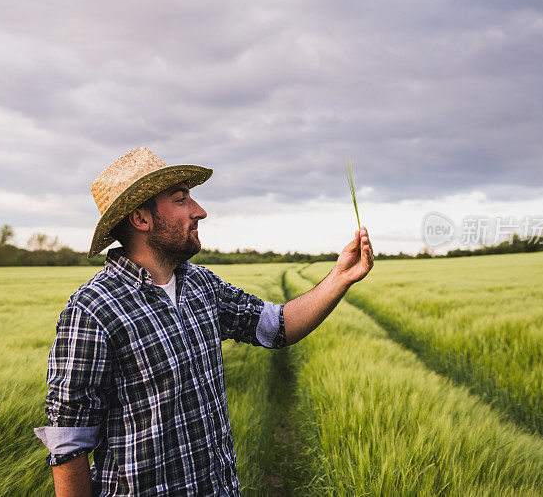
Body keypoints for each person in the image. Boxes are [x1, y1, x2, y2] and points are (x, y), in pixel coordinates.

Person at [34, 147, 374, 496]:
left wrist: (339, 278)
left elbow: (277, 326)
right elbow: (70, 442)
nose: (200, 211)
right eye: (181, 200)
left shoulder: (202, 285)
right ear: (141, 219)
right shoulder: (92, 310)